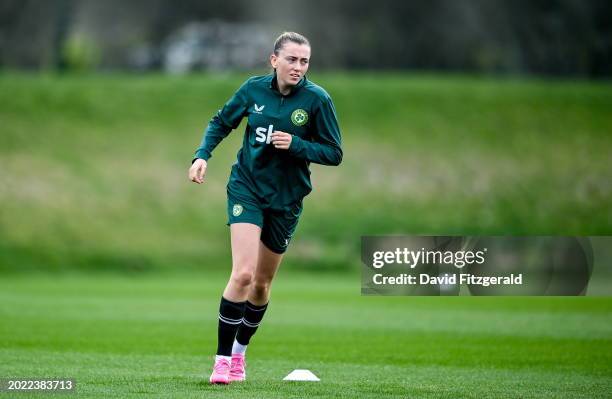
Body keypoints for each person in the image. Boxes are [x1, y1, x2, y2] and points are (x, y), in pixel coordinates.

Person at [188, 31, 342, 384]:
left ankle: (240, 355)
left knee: (261, 283)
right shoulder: (252, 90)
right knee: (242, 273)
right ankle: (221, 361)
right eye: (291, 59)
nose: (298, 67)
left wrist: (297, 145)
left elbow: (334, 153)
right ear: (274, 60)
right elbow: (221, 122)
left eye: (304, 61)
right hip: (247, 188)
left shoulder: (318, 100)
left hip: (287, 199)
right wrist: (201, 156)